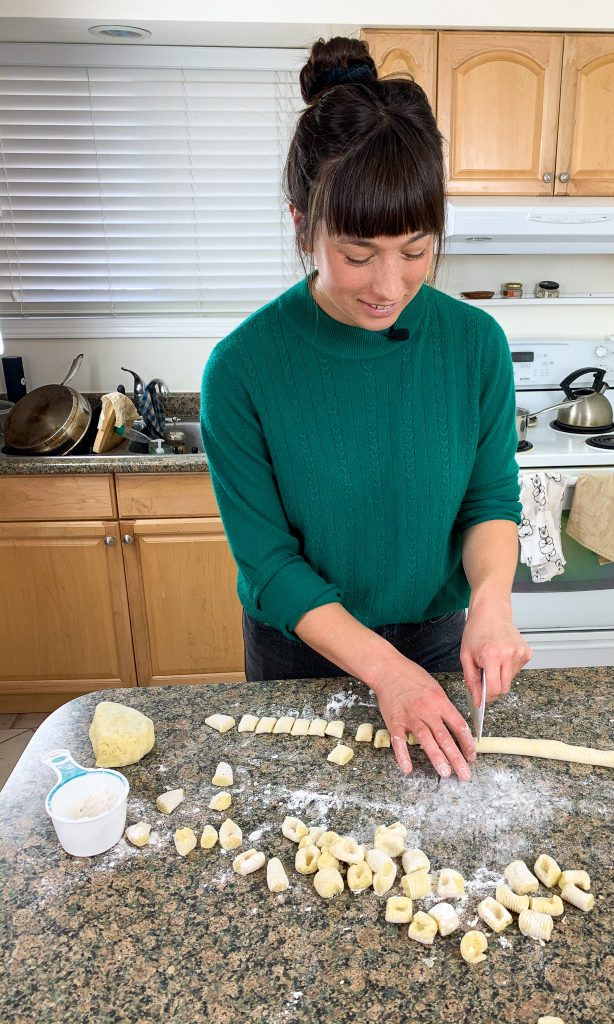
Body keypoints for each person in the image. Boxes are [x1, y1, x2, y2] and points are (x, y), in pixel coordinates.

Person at [201, 36, 531, 783]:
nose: (391, 284)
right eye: (358, 254)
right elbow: (269, 565)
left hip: (438, 638)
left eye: (416, 249)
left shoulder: (475, 344)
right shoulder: (244, 369)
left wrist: (491, 600)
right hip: (302, 652)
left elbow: (488, 500)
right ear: (301, 223)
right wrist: (384, 670)